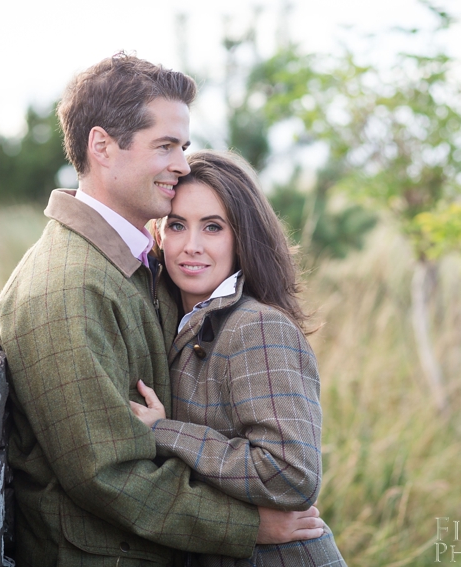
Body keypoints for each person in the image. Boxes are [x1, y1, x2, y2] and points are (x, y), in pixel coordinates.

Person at [0, 53, 325, 567]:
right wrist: (248, 526)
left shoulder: (137, 267)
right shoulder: (67, 287)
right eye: (164, 146)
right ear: (102, 146)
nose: (182, 165)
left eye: (183, 147)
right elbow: (107, 474)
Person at [130, 149, 347, 566]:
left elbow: (291, 475)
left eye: (213, 227)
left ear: (241, 236)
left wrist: (166, 432)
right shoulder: (178, 319)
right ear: (159, 234)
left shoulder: (257, 327)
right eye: (178, 225)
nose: (191, 246)